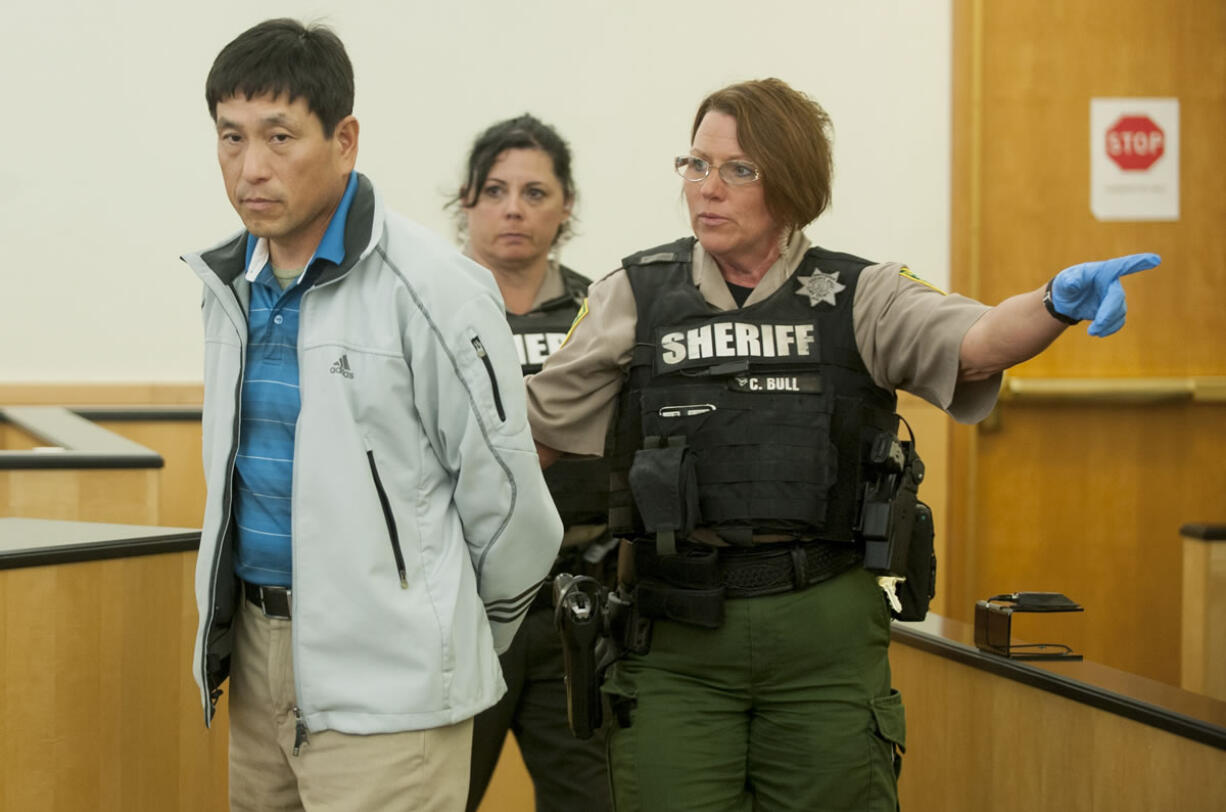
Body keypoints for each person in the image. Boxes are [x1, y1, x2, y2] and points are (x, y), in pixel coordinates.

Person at [524, 77, 1159, 812]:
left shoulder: (862, 294)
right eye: (695, 165)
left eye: (738, 170)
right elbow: (532, 431)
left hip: (821, 637)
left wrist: (1053, 304)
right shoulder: (634, 294)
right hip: (674, 642)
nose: (707, 188)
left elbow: (978, 341)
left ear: (791, 185)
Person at [183, 19, 562, 811]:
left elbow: (518, 518)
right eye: (231, 137)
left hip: (392, 684)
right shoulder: (229, 284)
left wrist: (433, 640)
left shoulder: (434, 287)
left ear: (345, 139)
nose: (251, 167)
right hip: (256, 660)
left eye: (279, 136)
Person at [451, 114, 614, 812]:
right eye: (496, 190)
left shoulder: (603, 313)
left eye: (535, 192)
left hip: (575, 599)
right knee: (439, 794)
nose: (514, 208)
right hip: (462, 600)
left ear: (566, 205)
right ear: (467, 202)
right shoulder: (429, 304)